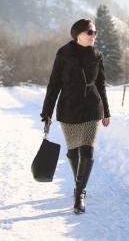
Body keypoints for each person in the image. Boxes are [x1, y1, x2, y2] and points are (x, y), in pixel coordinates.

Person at [40, 19, 111, 214]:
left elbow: (101, 84)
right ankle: (79, 181)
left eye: (95, 32)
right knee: (73, 151)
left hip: (91, 108)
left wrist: (106, 111)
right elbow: (54, 84)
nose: (93, 36)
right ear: (78, 34)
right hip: (69, 108)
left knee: (87, 150)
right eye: (90, 32)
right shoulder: (63, 54)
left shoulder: (97, 55)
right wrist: (47, 111)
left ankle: (80, 192)